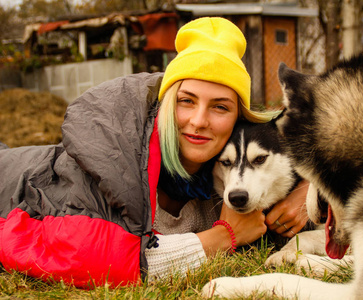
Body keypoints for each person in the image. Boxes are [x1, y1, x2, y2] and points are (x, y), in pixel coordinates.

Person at [0, 17, 309, 288]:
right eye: (187, 100)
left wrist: (309, 193)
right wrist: (222, 237)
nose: (199, 121)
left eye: (220, 107)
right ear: (167, 103)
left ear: (236, 119)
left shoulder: (226, 164)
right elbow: (92, 258)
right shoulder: (117, 156)